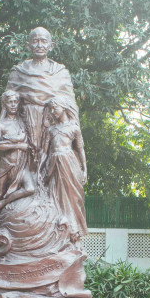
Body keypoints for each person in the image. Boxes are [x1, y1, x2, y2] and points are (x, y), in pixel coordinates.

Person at [5, 27, 77, 159]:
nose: (39, 45)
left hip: (52, 124)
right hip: (25, 124)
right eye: (35, 41)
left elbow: (70, 105)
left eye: (44, 41)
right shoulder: (18, 72)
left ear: (51, 46)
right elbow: (7, 103)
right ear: (28, 45)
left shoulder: (60, 72)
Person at [39, 96, 88, 239]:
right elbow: (44, 152)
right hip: (54, 165)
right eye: (51, 109)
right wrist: (40, 168)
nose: (53, 111)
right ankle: (58, 229)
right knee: (56, 195)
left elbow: (80, 149)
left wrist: (85, 169)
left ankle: (74, 230)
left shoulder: (74, 128)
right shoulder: (51, 130)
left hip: (70, 164)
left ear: (64, 108)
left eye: (55, 108)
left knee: (73, 197)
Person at [0, 91, 35, 223]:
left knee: (30, 188)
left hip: (21, 164)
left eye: (16, 102)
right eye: (10, 102)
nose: (14, 105)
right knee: (0, 194)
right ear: (5, 104)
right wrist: (19, 145)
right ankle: (1, 217)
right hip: (7, 165)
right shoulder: (0, 125)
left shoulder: (22, 122)